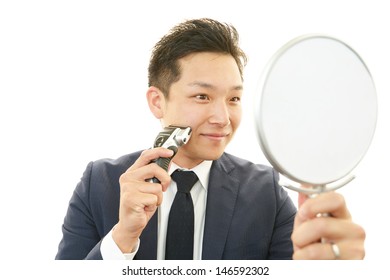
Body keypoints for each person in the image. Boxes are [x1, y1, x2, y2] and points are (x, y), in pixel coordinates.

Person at [55, 18, 365, 260]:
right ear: (157, 102)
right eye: (202, 96)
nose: (223, 118)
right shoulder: (100, 182)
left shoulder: (266, 193)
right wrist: (123, 236)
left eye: (233, 99)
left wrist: (327, 267)